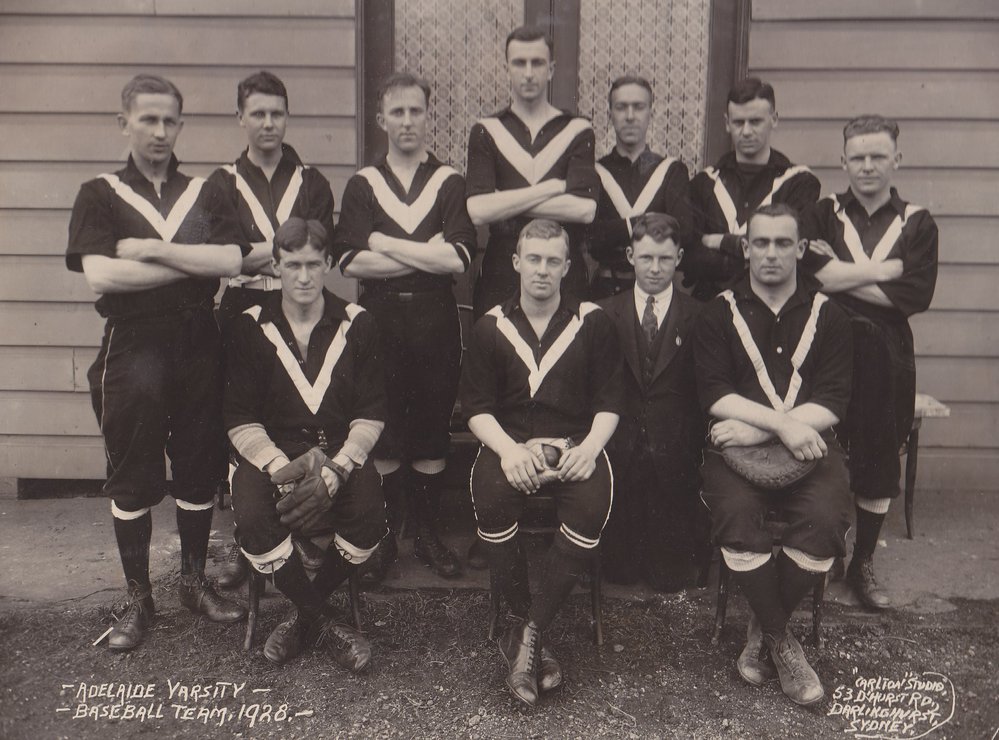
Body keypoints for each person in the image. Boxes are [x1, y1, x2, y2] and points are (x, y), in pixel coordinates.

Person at [66, 74, 248, 651]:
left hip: (199, 335)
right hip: (133, 341)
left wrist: (151, 253)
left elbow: (230, 257)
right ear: (124, 124)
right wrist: (192, 263)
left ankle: (193, 584)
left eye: (170, 120)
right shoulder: (100, 193)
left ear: (181, 125)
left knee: (198, 463)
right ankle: (139, 599)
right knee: (134, 470)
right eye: (148, 119)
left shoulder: (205, 191)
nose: (160, 132)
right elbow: (101, 274)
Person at [694, 203, 853, 707]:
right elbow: (715, 395)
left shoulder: (830, 315)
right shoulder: (718, 311)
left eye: (783, 243)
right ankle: (783, 643)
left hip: (807, 445)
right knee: (737, 516)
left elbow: (833, 399)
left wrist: (764, 429)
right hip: (736, 452)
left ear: (801, 250)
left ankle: (761, 631)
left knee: (827, 520)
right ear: (745, 248)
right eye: (760, 242)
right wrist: (781, 424)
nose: (770, 253)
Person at [461, 219, 621, 707]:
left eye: (554, 261)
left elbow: (609, 402)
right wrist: (508, 451)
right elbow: (476, 410)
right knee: (490, 500)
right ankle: (529, 634)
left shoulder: (591, 322)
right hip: (512, 445)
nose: (543, 270)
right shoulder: (491, 326)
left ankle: (528, 634)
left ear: (568, 267)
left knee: (591, 505)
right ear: (516, 262)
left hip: (575, 444)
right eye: (534, 259)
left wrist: (590, 449)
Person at [225, 217, 387, 670]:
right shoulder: (249, 327)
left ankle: (305, 611)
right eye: (292, 264)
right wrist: (280, 472)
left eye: (313, 264)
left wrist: (338, 469)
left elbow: (371, 412)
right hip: (271, 455)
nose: (303, 276)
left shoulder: (358, 323)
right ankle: (321, 618)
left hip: (337, 452)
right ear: (275, 265)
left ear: (329, 264)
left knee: (371, 514)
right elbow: (238, 417)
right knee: (255, 518)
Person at [335, 72, 477, 583]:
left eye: (416, 111)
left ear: (428, 115)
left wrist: (385, 243)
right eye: (398, 112)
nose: (408, 121)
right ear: (381, 120)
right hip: (380, 319)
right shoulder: (363, 184)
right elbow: (350, 262)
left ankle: (428, 532)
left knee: (432, 429)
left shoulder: (449, 181)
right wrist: (425, 254)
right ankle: (389, 536)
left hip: (436, 319)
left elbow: (458, 259)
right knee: (386, 428)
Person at [801, 115, 938, 610]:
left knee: (878, 452)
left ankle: (862, 561)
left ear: (896, 159)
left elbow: (914, 293)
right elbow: (809, 279)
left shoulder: (917, 221)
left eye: (878, 156)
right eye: (857, 156)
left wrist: (838, 272)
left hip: (887, 352)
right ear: (843, 161)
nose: (867, 166)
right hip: (827, 346)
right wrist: (885, 272)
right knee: (825, 445)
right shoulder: (822, 213)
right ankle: (824, 552)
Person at [209, 70, 337, 590]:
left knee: (294, 414)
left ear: (288, 117)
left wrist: (254, 256)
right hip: (242, 313)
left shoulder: (312, 181)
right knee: (243, 419)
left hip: (298, 311)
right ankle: (250, 537)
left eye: (277, 113)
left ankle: (302, 524)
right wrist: (277, 255)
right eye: (257, 113)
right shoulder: (221, 183)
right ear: (240, 118)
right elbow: (222, 257)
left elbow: (319, 245)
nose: (268, 123)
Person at [597, 213, 704, 591]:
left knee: (672, 576)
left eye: (664, 258)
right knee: (619, 573)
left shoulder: (698, 316)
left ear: (678, 258)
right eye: (646, 258)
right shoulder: (605, 313)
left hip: (674, 447)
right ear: (630, 256)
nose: (655, 268)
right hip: (620, 445)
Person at [466, 25, 599, 318]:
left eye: (537, 63)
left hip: (563, 269)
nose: (528, 73)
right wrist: (553, 187)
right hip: (503, 268)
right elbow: (477, 210)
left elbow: (585, 209)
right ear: (507, 69)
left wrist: (502, 202)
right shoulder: (486, 131)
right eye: (519, 63)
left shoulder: (577, 130)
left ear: (550, 69)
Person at [686, 78, 820, 301]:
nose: (746, 131)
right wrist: (748, 253)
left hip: (772, 304)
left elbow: (796, 253)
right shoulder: (705, 183)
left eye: (755, 121)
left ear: (774, 120)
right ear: (727, 123)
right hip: (710, 304)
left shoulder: (799, 182)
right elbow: (691, 258)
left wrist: (720, 242)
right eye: (738, 122)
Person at [588, 76, 692, 299]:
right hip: (607, 290)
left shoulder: (672, 171)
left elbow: (684, 232)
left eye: (639, 107)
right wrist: (647, 220)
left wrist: (616, 230)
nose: (630, 116)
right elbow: (592, 239)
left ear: (650, 115)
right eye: (621, 107)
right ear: (610, 115)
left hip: (658, 291)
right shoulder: (595, 172)